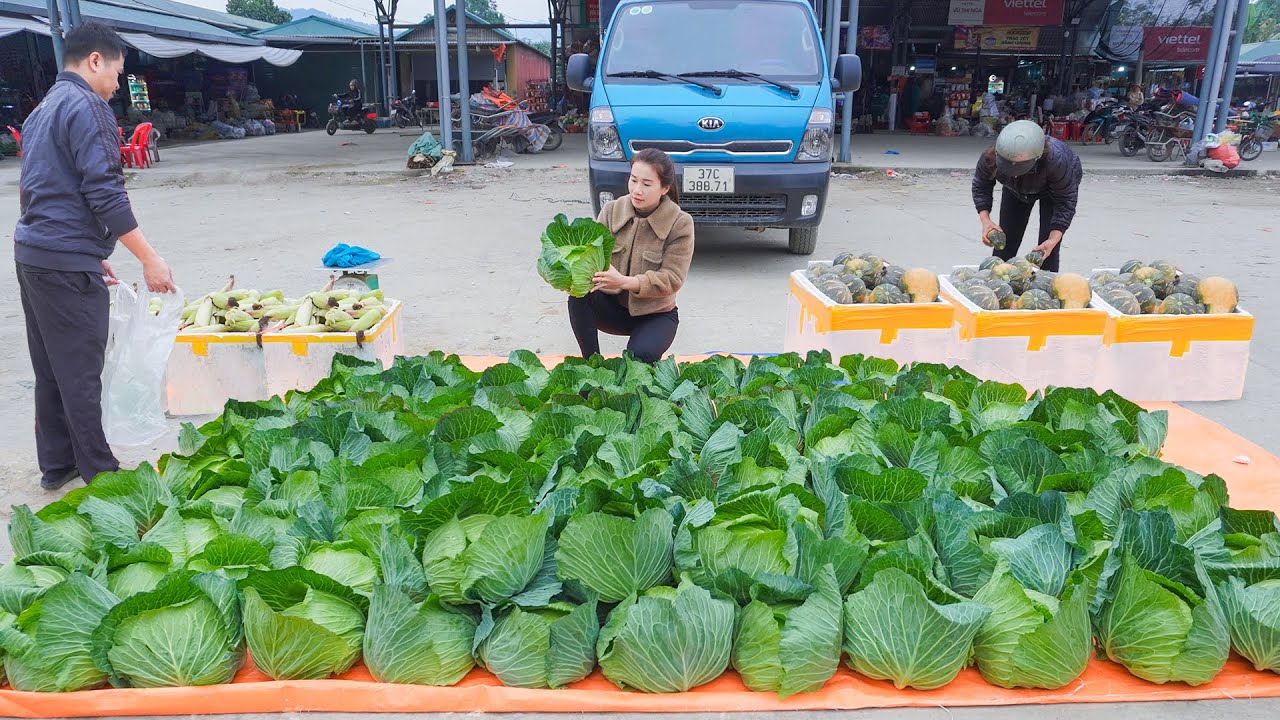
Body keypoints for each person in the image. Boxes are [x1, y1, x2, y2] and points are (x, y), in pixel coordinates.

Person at [15, 22, 176, 491]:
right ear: (94, 61)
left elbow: (41, 188)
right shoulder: (89, 106)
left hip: (35, 255)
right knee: (82, 370)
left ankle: (57, 464)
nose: (117, 85)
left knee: (51, 366)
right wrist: (149, 259)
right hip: (60, 260)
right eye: (118, 72)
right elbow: (105, 192)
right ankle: (101, 474)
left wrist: (91, 247)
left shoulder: (43, 108)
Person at [568, 148, 694, 364]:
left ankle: (643, 357)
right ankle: (591, 366)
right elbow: (590, 255)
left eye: (646, 184)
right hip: (613, 308)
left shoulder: (680, 223)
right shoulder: (611, 210)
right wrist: (573, 275)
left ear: (664, 188)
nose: (637, 190)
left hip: (656, 315)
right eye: (633, 180)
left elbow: (673, 278)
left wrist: (625, 282)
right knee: (579, 297)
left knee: (640, 358)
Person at [971, 120, 1082, 273]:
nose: (1014, 173)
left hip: (1053, 192)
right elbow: (981, 185)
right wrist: (986, 221)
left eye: (1019, 169)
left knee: (1046, 250)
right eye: (1008, 167)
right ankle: (998, 285)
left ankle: (1046, 285)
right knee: (1005, 241)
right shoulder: (991, 156)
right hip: (1015, 190)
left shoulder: (1057, 161)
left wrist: (1053, 239)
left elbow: (1065, 203)